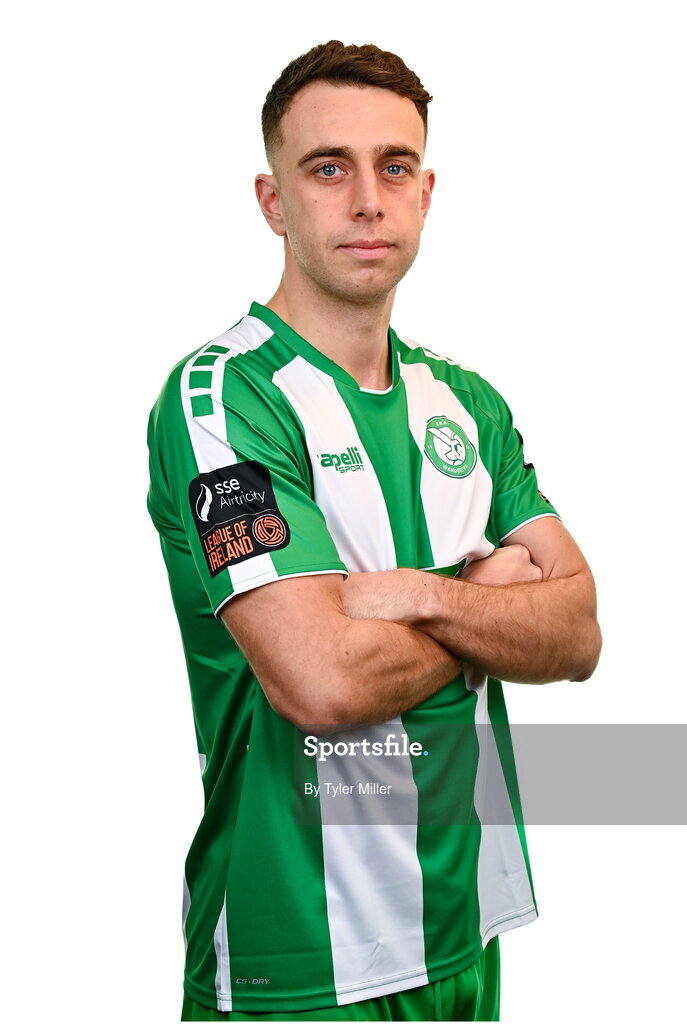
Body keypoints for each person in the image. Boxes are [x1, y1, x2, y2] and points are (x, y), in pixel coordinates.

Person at [146, 39, 602, 1023]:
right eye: (328, 168)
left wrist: (424, 594)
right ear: (273, 201)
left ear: (427, 192)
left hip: (464, 926)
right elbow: (320, 679)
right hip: (298, 960)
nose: (367, 199)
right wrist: (492, 598)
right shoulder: (224, 399)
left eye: (394, 167)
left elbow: (578, 636)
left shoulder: (467, 404)